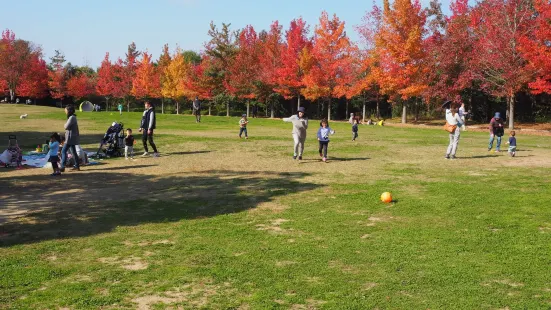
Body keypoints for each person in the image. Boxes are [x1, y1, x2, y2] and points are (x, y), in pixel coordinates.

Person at [60, 104, 81, 172]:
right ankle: (77, 166)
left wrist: (64, 124)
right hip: (71, 137)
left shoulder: (72, 117)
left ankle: (62, 166)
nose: (65, 111)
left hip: (70, 138)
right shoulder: (72, 117)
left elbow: (66, 126)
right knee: (73, 152)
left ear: (69, 110)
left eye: (66, 109)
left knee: (63, 151)